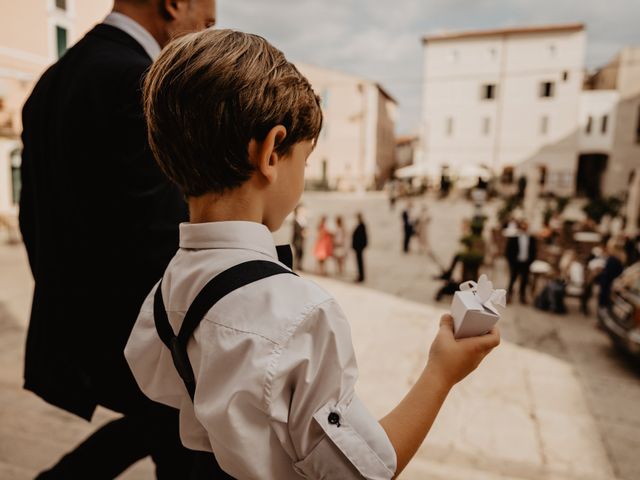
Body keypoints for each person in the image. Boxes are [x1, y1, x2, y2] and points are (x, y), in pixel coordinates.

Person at [123, 29, 500, 479]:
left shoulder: (169, 285)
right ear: (270, 151)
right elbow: (361, 472)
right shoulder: (300, 314)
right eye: (305, 158)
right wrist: (441, 373)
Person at [18, 1, 218, 478]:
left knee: (159, 433)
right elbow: (160, 237)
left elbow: (35, 218)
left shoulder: (53, 80)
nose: (209, 37)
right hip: (141, 341)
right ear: (174, 4)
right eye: (208, 24)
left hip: (77, 326)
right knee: (192, 448)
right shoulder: (143, 83)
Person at [506, 220, 537, 304]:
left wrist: (530, 261)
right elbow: (508, 251)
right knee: (513, 279)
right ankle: (509, 295)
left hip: (526, 262)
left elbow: (533, 251)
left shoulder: (531, 238)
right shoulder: (514, 238)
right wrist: (511, 261)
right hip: (515, 262)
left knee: (524, 280)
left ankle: (522, 296)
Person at [352, 212, 368, 282]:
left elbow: (364, 237)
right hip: (358, 247)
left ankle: (361, 277)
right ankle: (360, 276)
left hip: (359, 247)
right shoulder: (360, 225)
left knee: (360, 262)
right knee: (359, 262)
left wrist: (363, 245)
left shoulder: (362, 225)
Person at [291, 204, 307, 270]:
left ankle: (299, 266)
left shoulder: (303, 219)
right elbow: (296, 230)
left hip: (301, 239)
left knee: (301, 252)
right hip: (297, 239)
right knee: (297, 252)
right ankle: (295, 266)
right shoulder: (296, 219)